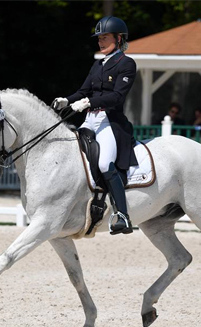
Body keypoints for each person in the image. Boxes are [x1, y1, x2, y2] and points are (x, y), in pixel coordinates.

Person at [51, 16, 138, 235]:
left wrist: (89, 102)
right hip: (90, 119)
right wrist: (67, 100)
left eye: (105, 37)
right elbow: (83, 91)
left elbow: (117, 97)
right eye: (99, 38)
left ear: (119, 39)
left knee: (105, 164)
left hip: (110, 122)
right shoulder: (98, 64)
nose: (100, 42)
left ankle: (123, 216)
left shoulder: (126, 64)